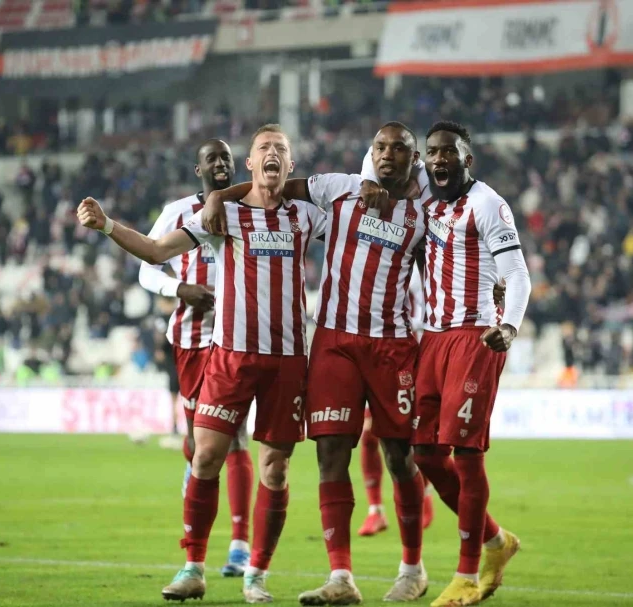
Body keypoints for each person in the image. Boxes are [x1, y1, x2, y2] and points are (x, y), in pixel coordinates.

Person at [77, 124, 326, 604]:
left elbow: (356, 230)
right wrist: (107, 225)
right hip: (230, 356)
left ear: (290, 165)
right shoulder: (223, 215)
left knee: (275, 469)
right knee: (206, 455)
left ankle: (256, 574)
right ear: (250, 163)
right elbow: (156, 251)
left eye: (281, 149)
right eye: (263, 148)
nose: (272, 153)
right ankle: (193, 567)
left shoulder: (307, 216)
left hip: (287, 360)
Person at [203, 122, 430, 604]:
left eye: (399, 149)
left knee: (399, 456)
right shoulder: (338, 187)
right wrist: (219, 196)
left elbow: (439, 270)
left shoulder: (426, 211)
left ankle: (412, 568)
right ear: (371, 153)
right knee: (331, 454)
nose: (387, 155)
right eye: (380, 147)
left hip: (392, 345)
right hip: (333, 340)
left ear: (414, 160)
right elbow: (273, 187)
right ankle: (341, 577)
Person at [363, 121, 531, 606]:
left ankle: (466, 576)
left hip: (475, 337)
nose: (439, 160)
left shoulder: (488, 204)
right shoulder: (426, 199)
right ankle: (496, 540)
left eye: (448, 153)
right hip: (432, 339)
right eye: (432, 152)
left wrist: (509, 325)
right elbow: (373, 160)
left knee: (466, 454)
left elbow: (517, 272)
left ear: (466, 160)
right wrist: (371, 179)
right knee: (425, 454)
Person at [138, 139, 254, 577]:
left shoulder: (251, 208)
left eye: (226, 157)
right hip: (190, 340)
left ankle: (239, 545)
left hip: (235, 341)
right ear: (197, 169)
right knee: (197, 445)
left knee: (235, 438)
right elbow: (147, 267)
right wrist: (179, 289)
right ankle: (197, 501)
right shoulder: (178, 212)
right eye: (212, 159)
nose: (220, 163)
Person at [357, 269, 435, 537]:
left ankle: (424, 495)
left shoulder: (420, 264)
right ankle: (375, 510)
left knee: (412, 434)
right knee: (368, 433)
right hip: (380, 351)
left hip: (413, 353)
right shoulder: (377, 263)